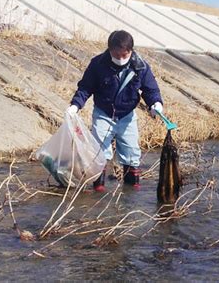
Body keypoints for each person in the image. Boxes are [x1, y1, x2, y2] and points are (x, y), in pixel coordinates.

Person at [66, 30, 163, 191]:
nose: (120, 59)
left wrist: (156, 104)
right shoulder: (98, 64)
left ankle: (132, 188)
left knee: (131, 152)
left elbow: (150, 90)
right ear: (110, 50)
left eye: (124, 55)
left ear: (130, 51)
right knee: (99, 152)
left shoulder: (140, 66)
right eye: (116, 55)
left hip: (127, 115)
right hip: (103, 113)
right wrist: (75, 105)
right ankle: (99, 188)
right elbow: (85, 88)